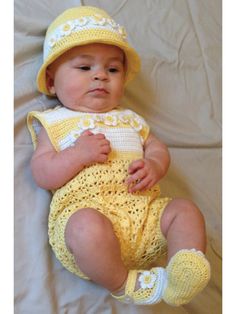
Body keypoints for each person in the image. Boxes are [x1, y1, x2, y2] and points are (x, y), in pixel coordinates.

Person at [27, 6, 210, 306]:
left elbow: (156, 147)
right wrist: (77, 155)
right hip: (89, 217)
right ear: (50, 81)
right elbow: (42, 172)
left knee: (185, 210)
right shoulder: (55, 122)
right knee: (84, 227)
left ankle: (183, 269)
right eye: (85, 68)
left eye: (112, 69)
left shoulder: (131, 119)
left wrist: (154, 164)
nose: (100, 76)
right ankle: (124, 282)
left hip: (145, 215)